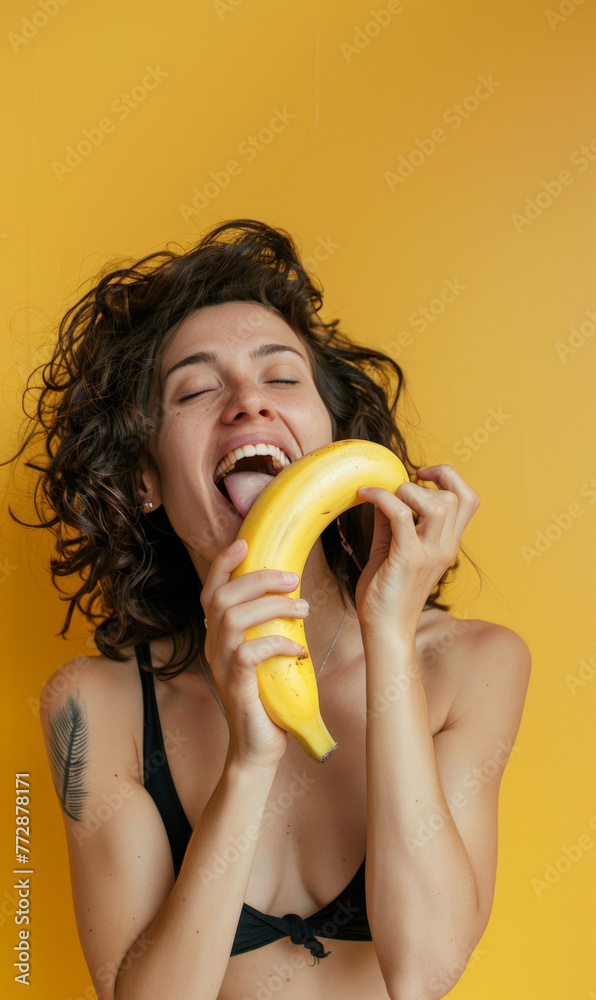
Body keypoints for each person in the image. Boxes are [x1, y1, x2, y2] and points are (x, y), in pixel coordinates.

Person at [11, 219, 531, 1000]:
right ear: (146, 478)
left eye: (282, 378)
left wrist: (387, 633)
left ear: (329, 443)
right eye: (196, 387)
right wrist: (249, 761)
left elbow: (423, 971)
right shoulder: (93, 708)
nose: (249, 401)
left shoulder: (473, 666)